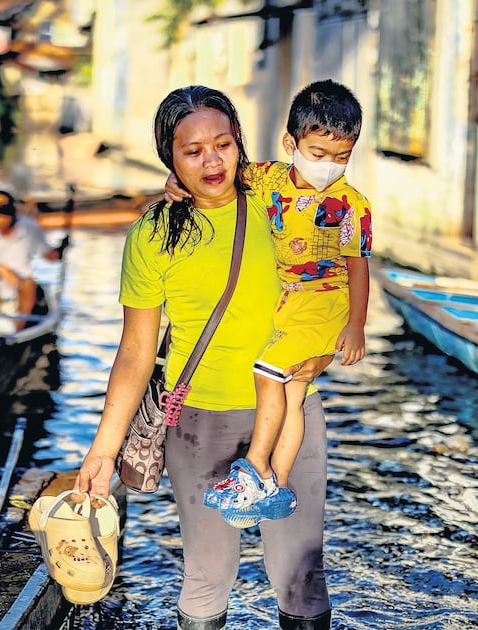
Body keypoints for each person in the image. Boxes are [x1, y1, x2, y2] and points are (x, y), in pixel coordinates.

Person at [73, 85, 334, 630]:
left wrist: (326, 350)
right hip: (198, 422)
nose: (212, 160)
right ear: (170, 158)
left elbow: (336, 278)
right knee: (208, 574)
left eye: (223, 143)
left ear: (241, 142)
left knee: (300, 575)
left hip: (291, 413)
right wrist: (103, 447)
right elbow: (137, 351)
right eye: (192, 151)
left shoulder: (281, 202)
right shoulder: (153, 232)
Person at [199, 79, 373, 521]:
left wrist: (356, 326)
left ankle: (254, 468)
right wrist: (174, 181)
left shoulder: (351, 205)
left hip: (325, 303)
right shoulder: (271, 178)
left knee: (268, 371)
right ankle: (275, 484)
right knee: (293, 393)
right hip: (290, 303)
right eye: (318, 154)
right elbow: (227, 174)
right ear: (290, 143)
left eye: (342, 157)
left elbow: (358, 266)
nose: (329, 166)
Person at [0, 190, 68, 330]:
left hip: (22, 284)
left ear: (12, 211)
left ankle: (19, 330)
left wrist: (62, 248)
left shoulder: (30, 227)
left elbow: (51, 257)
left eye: (3, 211)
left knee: (29, 283)